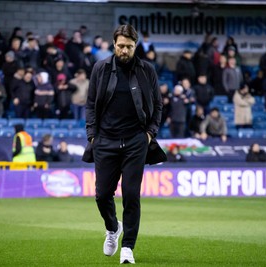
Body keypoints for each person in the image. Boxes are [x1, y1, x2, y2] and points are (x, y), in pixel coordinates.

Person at [82, 25, 166, 265]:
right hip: (105, 140)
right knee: (101, 195)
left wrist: (149, 134)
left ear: (135, 46)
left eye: (129, 46)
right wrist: (92, 136)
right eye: (121, 46)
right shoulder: (101, 68)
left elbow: (158, 105)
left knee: (131, 195)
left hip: (135, 141)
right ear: (113, 44)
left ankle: (128, 247)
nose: (125, 50)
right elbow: (90, 104)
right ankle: (112, 228)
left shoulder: (146, 70)